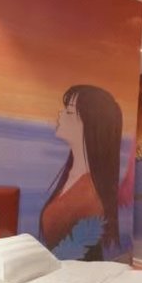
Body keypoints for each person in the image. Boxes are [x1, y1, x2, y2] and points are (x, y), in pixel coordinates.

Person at [39, 84, 122, 261]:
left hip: (76, 270)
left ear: (90, 125)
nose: (60, 114)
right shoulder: (74, 175)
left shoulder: (89, 193)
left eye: (69, 112)